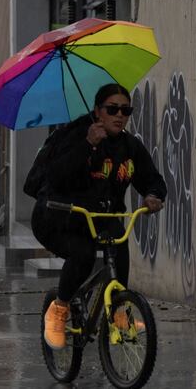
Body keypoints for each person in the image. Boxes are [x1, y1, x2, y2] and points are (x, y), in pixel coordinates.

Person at [31, 83, 167, 350]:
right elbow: (55, 176)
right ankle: (58, 310)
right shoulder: (74, 135)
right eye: (112, 109)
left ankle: (119, 314)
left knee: (119, 241)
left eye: (125, 110)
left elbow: (152, 179)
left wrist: (153, 195)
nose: (119, 115)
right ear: (97, 111)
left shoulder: (130, 146)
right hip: (59, 218)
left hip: (100, 217)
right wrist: (87, 144)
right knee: (81, 254)